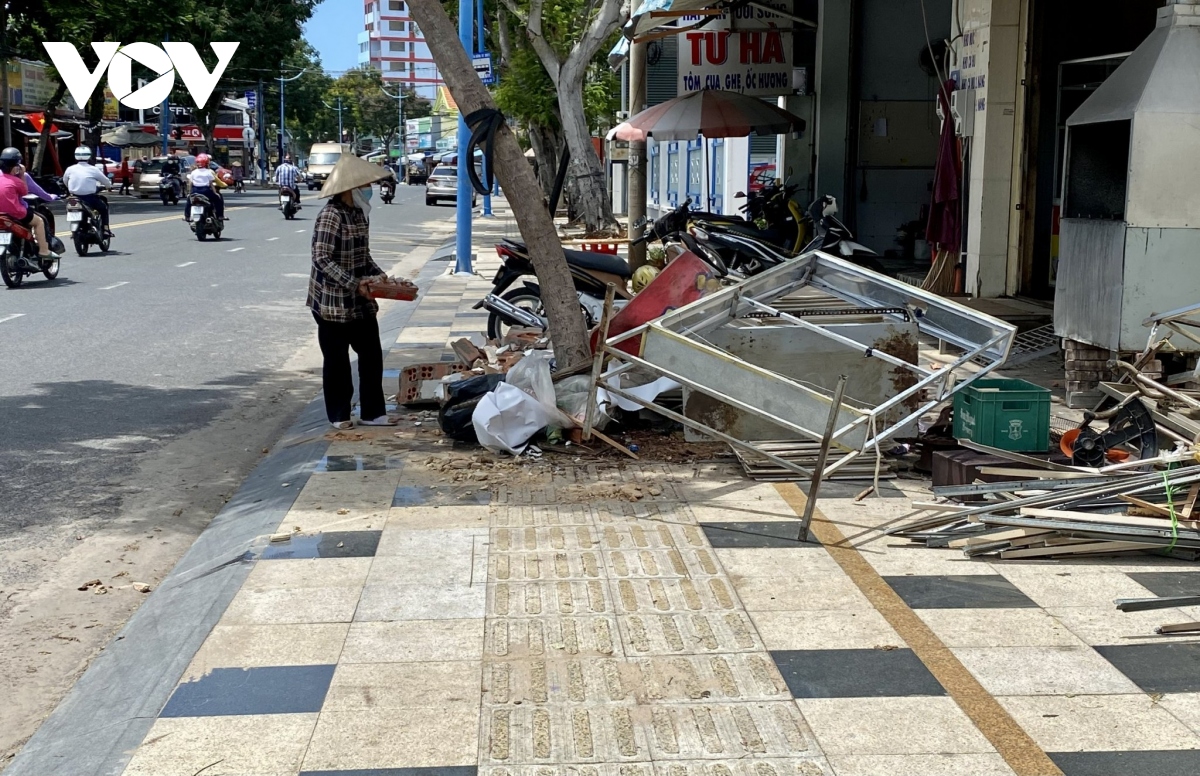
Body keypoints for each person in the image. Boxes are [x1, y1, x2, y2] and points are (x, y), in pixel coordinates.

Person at [307, 153, 396, 430]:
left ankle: (373, 412)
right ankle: (339, 414)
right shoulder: (330, 216)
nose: (369, 191)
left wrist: (379, 276)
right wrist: (354, 283)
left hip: (360, 300)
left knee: (371, 354)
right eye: (364, 186)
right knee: (337, 361)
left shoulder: (359, 215)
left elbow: (363, 256)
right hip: (331, 302)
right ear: (350, 189)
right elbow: (321, 259)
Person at [0, 148, 60, 260]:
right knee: (39, 222)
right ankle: (44, 251)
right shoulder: (19, 179)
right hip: (16, 213)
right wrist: (22, 174)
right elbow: (26, 192)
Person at [63, 145, 112, 236]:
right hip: (89, 198)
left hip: (74, 197)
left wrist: (71, 189)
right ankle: (105, 229)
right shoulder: (93, 169)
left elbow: (65, 181)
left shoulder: (70, 169)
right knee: (103, 208)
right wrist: (108, 186)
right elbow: (106, 181)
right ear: (89, 156)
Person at [187, 153, 227, 220]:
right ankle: (220, 216)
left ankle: (187, 216)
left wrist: (189, 193)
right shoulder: (209, 172)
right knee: (218, 199)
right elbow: (211, 184)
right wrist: (215, 193)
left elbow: (190, 183)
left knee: (189, 201)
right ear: (207, 163)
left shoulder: (193, 172)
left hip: (195, 190)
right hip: (206, 191)